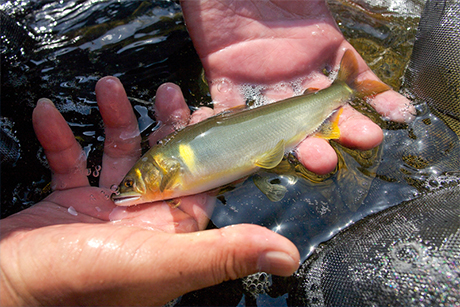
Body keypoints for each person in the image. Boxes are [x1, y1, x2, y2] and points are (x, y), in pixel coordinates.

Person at [0, 0, 413, 306]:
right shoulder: (166, 173)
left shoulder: (168, 173)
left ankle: (344, 88)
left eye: (132, 184)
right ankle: (343, 90)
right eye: (130, 185)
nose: (126, 190)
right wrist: (16, 280)